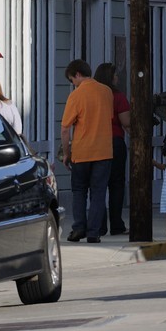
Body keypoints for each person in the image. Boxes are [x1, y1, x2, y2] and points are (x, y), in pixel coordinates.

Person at [59, 59, 114, 243]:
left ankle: (78, 228)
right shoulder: (107, 92)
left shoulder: (76, 96)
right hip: (104, 151)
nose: (73, 84)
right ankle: (93, 232)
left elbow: (66, 128)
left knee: (79, 191)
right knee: (98, 192)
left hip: (82, 152)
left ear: (77, 74)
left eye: (72, 80)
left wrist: (66, 153)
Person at [94, 63, 132, 235]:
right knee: (116, 185)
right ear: (110, 77)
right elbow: (126, 122)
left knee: (98, 185)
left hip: (96, 142)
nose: (117, 78)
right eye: (115, 75)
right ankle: (116, 224)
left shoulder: (92, 96)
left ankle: (99, 225)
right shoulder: (117, 96)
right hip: (115, 141)